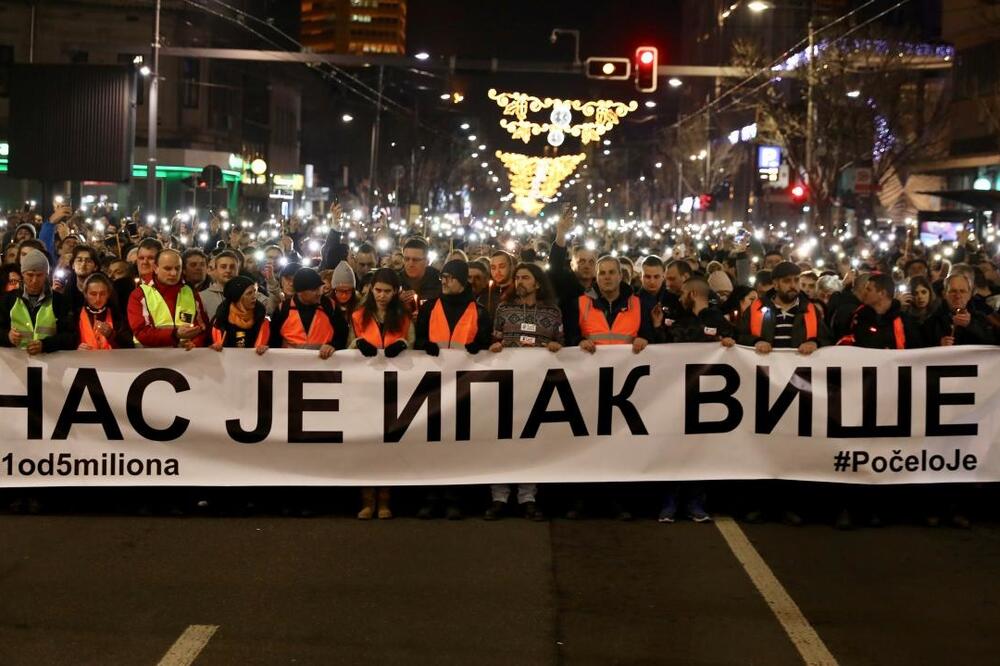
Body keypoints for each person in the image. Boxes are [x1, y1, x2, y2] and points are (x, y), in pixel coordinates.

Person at [484, 263, 563, 522]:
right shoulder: (504, 309)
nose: (520, 282)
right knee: (502, 441)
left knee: (530, 442)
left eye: (525, 278)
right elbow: (495, 339)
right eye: (517, 277)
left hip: (537, 386)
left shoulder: (552, 312)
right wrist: (495, 346)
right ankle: (499, 497)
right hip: (508, 386)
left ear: (537, 283)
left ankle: (527, 497)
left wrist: (555, 345)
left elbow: (562, 343)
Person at [658, 276, 733, 523]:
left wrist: (729, 344)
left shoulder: (718, 320)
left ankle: (695, 503)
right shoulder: (682, 320)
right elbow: (669, 346)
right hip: (677, 393)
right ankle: (670, 501)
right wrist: (659, 328)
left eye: (682, 294)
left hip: (710, 395)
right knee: (673, 446)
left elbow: (734, 344)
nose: (679, 299)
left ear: (691, 294)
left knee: (699, 449)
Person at [348, 268, 414, 521]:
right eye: (378, 290)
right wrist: (358, 344)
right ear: (371, 290)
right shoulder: (358, 316)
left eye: (387, 291)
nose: (382, 296)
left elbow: (413, 342)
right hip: (365, 387)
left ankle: (385, 500)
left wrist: (403, 345)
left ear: (395, 292)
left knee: (388, 445)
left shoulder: (404, 315)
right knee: (366, 444)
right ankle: (367, 500)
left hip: (395, 387)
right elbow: (348, 346)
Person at [127, 248, 209, 350]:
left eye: (177, 268)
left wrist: (195, 343)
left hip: (185, 357)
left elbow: (202, 327)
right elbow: (141, 332)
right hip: (150, 359)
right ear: (155, 268)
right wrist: (175, 334)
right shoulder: (139, 295)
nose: (174, 273)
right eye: (168, 268)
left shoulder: (190, 292)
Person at [0, 249, 76, 354]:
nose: (34, 280)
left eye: (39, 275)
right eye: (30, 275)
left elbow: (71, 337)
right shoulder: (8, 299)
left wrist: (45, 345)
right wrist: (7, 336)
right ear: (22, 274)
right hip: (16, 364)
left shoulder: (59, 300)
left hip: (50, 364)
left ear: (46, 275)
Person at [578, 256, 659, 355]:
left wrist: (643, 339)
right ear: (596, 277)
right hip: (592, 367)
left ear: (620, 276)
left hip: (627, 366)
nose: (607, 277)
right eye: (602, 273)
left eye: (611, 272)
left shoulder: (639, 303)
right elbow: (571, 334)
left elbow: (647, 334)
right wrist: (579, 341)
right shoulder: (580, 303)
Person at [414, 259, 492, 356]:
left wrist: (477, 347)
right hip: (434, 367)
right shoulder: (428, 308)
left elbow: (486, 345)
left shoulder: (480, 312)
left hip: (465, 368)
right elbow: (418, 340)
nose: (443, 282)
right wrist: (425, 345)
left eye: (449, 277)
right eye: (442, 277)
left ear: (462, 281)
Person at [269, 267, 347, 358]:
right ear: (300, 292)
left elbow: (343, 332)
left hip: (324, 366)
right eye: (314, 290)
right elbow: (273, 339)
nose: (319, 293)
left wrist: (333, 345)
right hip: (290, 366)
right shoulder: (283, 309)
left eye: (320, 288)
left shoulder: (329, 305)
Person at [837, 272, 921, 349]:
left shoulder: (904, 321)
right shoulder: (860, 316)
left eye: (869, 289)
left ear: (882, 293)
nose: (864, 292)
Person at [923, 272, 995, 347]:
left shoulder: (981, 318)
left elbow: (993, 342)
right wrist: (938, 345)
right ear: (944, 294)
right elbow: (921, 348)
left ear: (969, 295)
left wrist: (971, 325)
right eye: (953, 291)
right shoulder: (931, 321)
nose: (958, 296)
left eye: (962, 291)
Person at [210, 275, 270, 353]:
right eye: (249, 293)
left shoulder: (261, 319)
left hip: (253, 363)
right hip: (227, 362)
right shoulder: (220, 320)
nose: (254, 296)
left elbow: (271, 344)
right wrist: (214, 346)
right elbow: (210, 345)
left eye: (254, 291)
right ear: (237, 298)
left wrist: (264, 348)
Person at [76, 273, 133, 350]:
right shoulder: (75, 316)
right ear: (85, 294)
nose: (98, 299)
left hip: (112, 360)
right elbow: (66, 344)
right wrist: (76, 348)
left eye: (102, 294)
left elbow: (129, 345)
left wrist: (112, 335)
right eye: (93, 294)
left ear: (108, 294)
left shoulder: (117, 316)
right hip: (84, 360)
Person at [398, 236, 441, 316]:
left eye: (416, 260)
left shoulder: (439, 283)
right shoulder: (395, 282)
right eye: (407, 259)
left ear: (427, 261)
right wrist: (397, 302)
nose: (410, 264)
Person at [200, 250, 242, 323]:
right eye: (223, 267)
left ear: (237, 271)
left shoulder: (247, 294)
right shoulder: (202, 297)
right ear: (215, 270)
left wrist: (269, 284)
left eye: (232, 267)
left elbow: (268, 308)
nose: (228, 270)